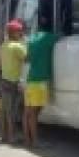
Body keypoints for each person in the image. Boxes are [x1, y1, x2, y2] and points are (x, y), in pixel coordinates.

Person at [23, 14, 56, 148]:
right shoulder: (50, 37)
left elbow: (27, 59)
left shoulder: (31, 39)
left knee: (27, 112)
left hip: (31, 79)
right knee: (34, 114)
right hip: (40, 80)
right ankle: (35, 141)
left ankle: (27, 140)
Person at [0, 20, 26, 145]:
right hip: (14, 81)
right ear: (13, 32)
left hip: (4, 80)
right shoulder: (17, 46)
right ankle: (11, 137)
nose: (21, 33)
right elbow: (27, 58)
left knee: (5, 110)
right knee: (13, 111)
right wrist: (24, 42)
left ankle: (4, 135)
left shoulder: (3, 45)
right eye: (19, 31)